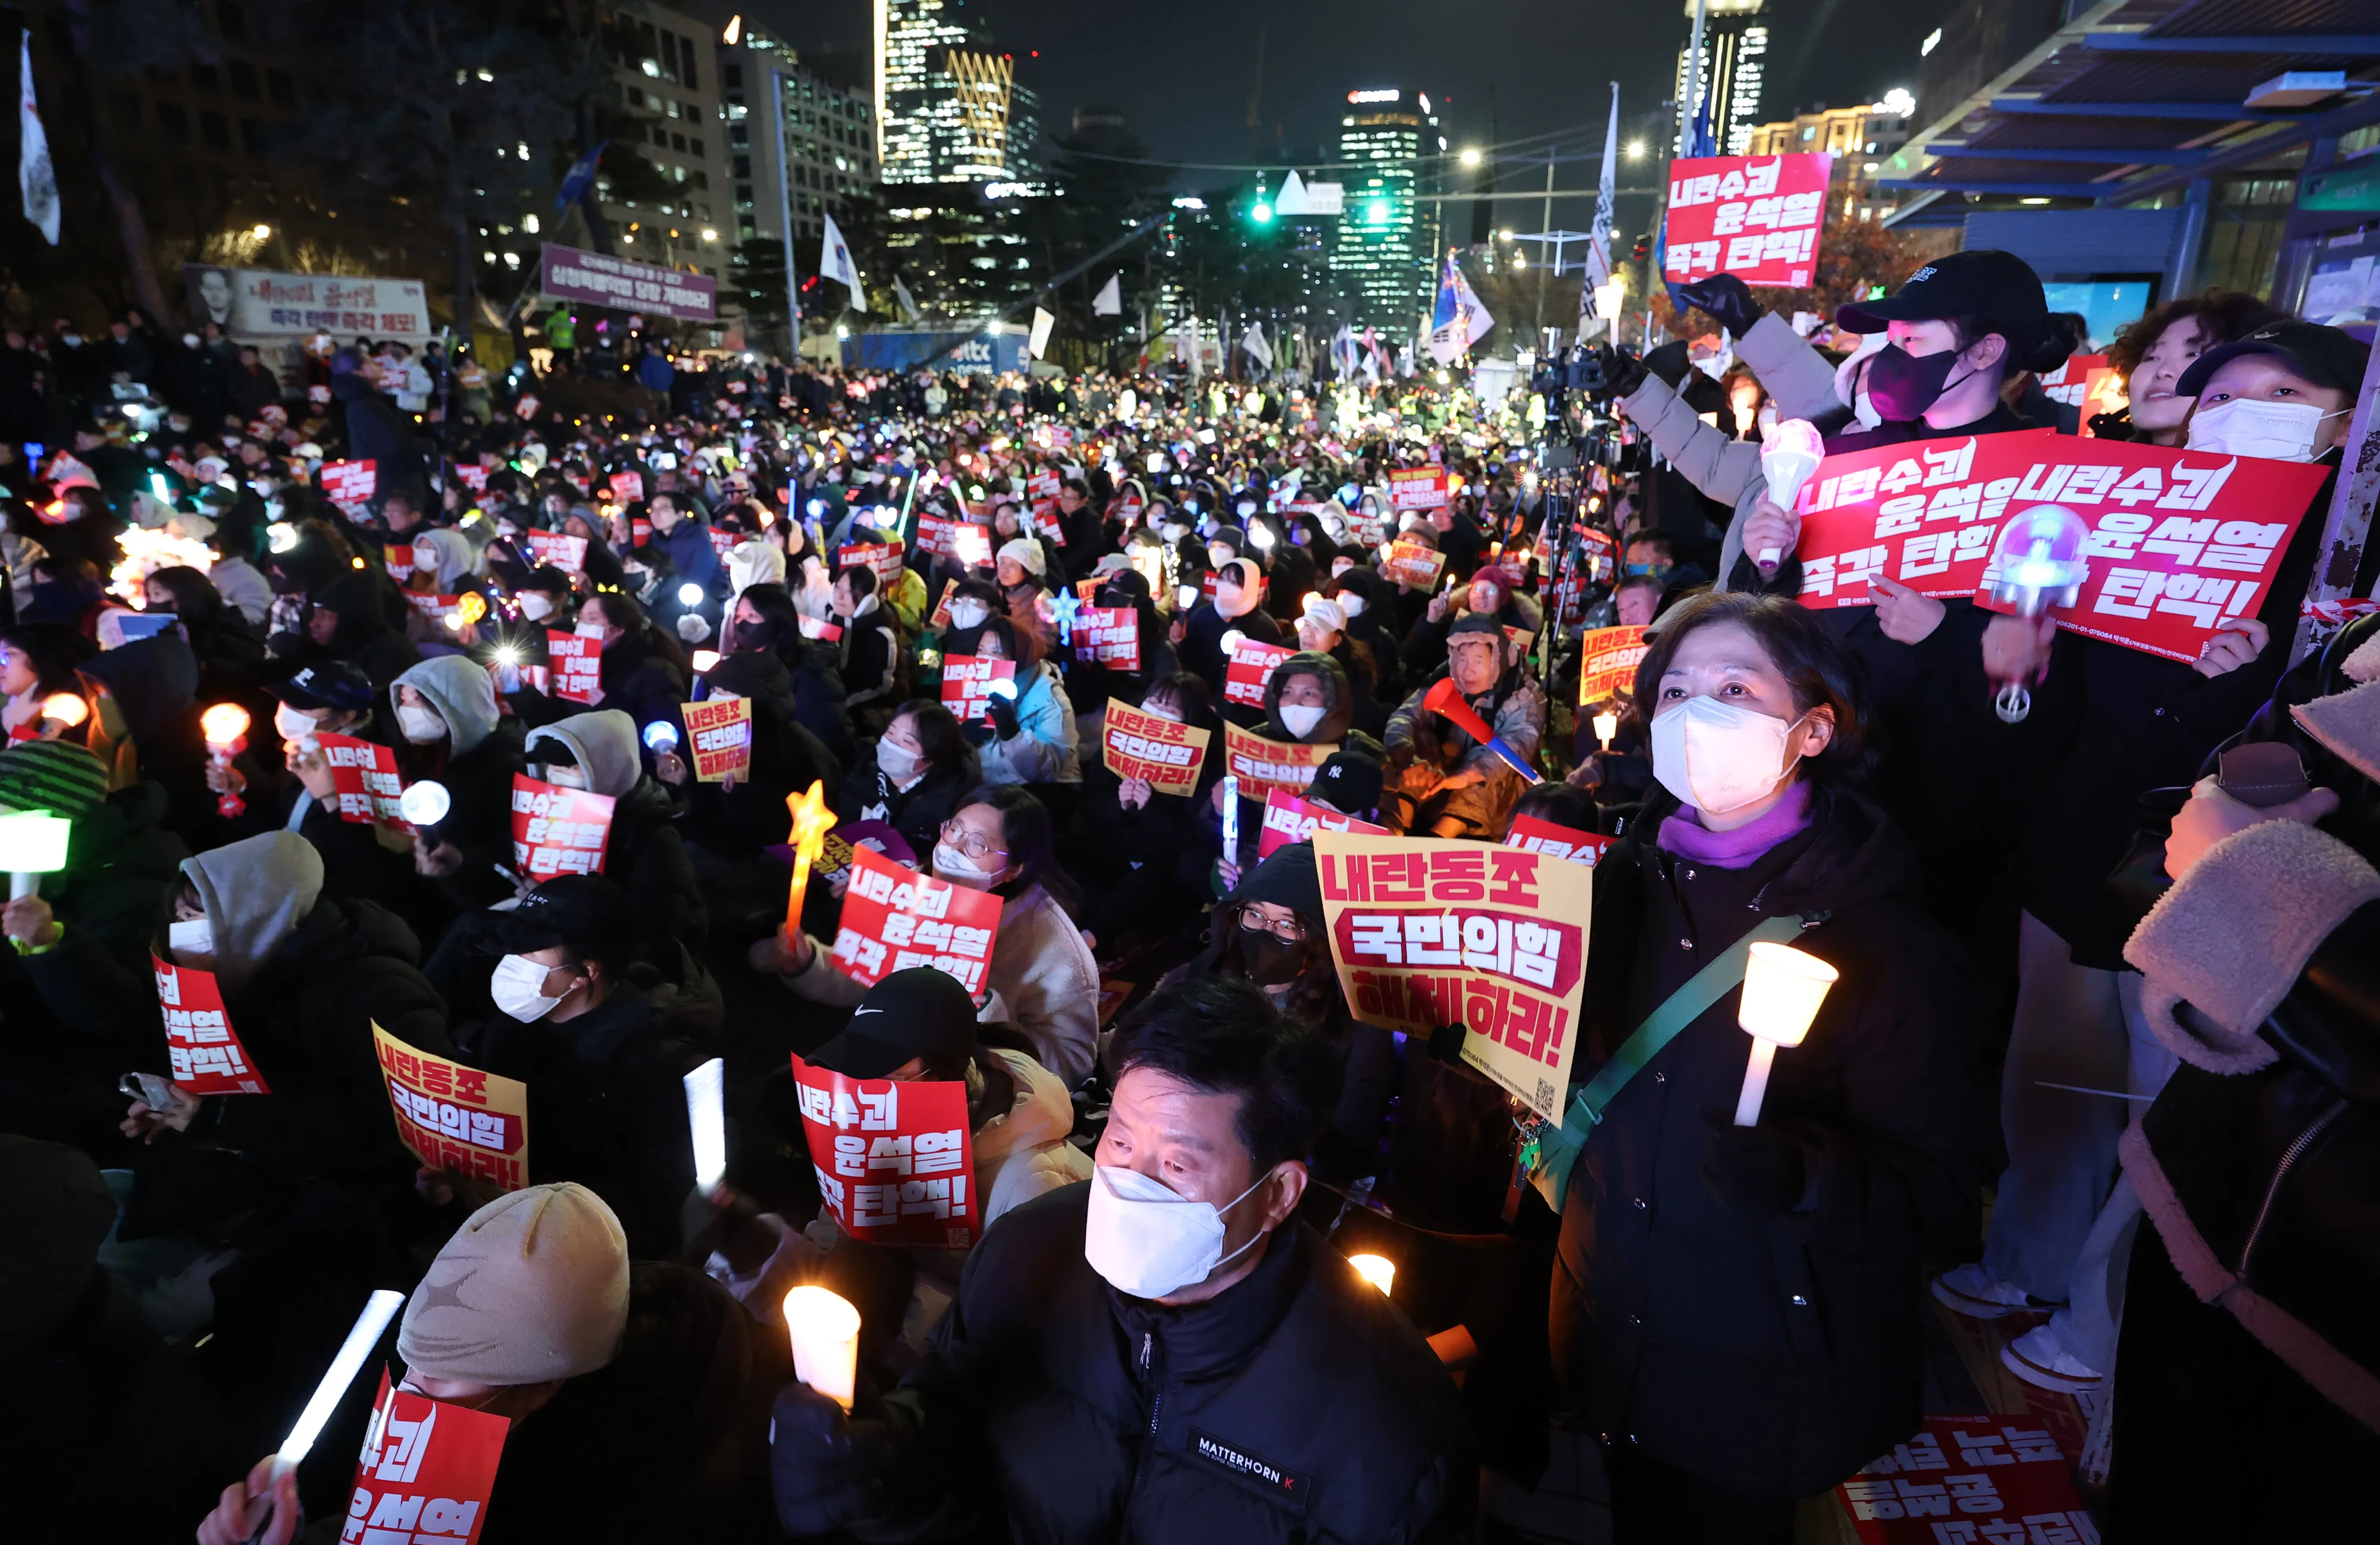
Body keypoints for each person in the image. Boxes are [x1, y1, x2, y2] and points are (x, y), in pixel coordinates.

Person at [1527, 591, 1988, 1540]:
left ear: (1813, 729)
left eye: (1735, 687)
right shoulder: (1616, 889)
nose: (1697, 715)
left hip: (1761, 1372)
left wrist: (1807, 1175)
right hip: (1612, 1327)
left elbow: (1944, 1202)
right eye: (1676, 691)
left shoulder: (1887, 940)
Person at [768, 977, 1472, 1544]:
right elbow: (954, 1428)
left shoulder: (1385, 1427)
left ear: (1280, 1191)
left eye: (1174, 1163)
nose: (1131, 1180)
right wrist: (881, 1466)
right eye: (1122, 1143)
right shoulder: (1027, 1253)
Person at [195, 1183, 783, 1544]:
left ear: (543, 1385)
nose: (410, 1396)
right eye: (411, 1366)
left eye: (445, 1373)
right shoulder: (456, 1441)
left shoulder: (608, 1496)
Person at [756, 786, 1100, 1088]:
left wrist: (986, 1020)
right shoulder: (914, 890)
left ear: (1014, 869)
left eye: (977, 845)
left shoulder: (1059, 949)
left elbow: (1073, 1063)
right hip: (883, 1059)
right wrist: (808, 964)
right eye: (953, 830)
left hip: (974, 1095)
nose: (953, 848)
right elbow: (869, 982)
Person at [444, 876, 699, 1256]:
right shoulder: (514, 1024)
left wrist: (528, 1206)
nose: (511, 963)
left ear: (587, 972)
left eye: (530, 953)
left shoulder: (657, 1061)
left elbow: (655, 1199)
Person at [1383, 613, 1545, 839]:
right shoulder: (1443, 677)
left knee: (1492, 765)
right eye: (1462, 660)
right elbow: (1406, 716)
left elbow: (1518, 743)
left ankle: (1438, 840)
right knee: (1418, 742)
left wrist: (1469, 775)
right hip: (1443, 775)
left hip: (1496, 797)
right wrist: (1407, 755)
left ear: (1500, 657)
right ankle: (1395, 827)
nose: (1468, 671)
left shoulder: (1525, 696)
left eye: (1478, 661)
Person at [836, 697, 978, 858]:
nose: (891, 744)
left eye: (907, 742)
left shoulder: (947, 804)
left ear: (929, 759)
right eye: (890, 732)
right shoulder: (865, 770)